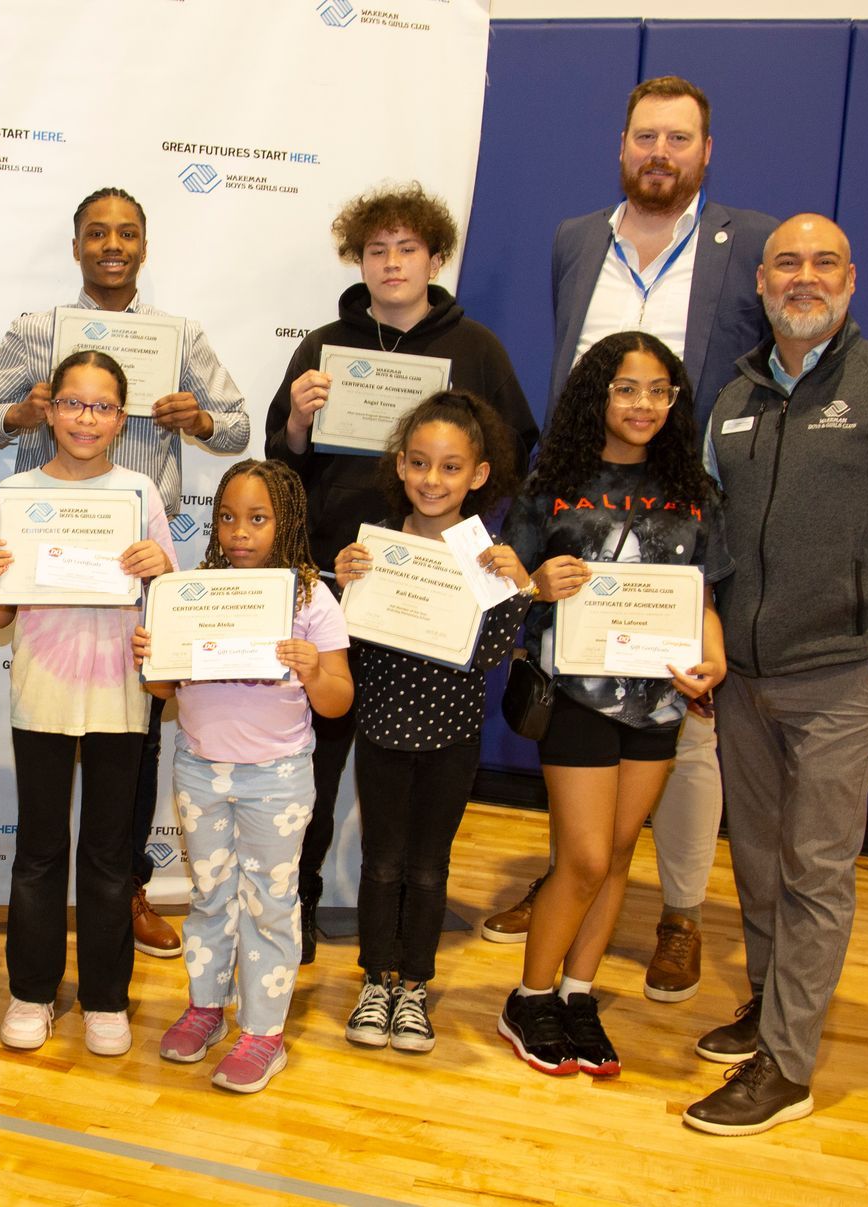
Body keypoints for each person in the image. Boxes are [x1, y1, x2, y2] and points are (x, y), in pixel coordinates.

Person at [488, 76, 778, 1007]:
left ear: (706, 152)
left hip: (687, 503)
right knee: (590, 818)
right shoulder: (578, 239)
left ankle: (681, 911)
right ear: (621, 145)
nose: (661, 153)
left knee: (687, 729)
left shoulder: (750, 242)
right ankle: (565, 903)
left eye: (679, 138)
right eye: (646, 136)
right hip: (586, 499)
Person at [687, 215, 868, 1135]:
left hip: (844, 675)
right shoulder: (732, 397)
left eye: (823, 263)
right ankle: (771, 1005)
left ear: (851, 279)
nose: (803, 277)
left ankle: (787, 1066)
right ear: (761, 283)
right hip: (744, 680)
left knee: (815, 868)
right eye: (786, 263)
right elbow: (709, 537)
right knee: (758, 860)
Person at [0, 187, 250, 959]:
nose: (111, 245)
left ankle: (128, 897)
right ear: (76, 245)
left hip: (135, 587)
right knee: (47, 820)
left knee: (126, 787)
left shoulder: (179, 336)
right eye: (96, 233)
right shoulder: (36, 331)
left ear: (144, 246)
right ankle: (46, 963)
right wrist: (21, 413)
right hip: (47, 587)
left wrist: (198, 419)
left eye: (126, 233)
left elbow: (238, 426)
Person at [265, 182, 537, 962]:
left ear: (435, 258)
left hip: (428, 594)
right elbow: (283, 462)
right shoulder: (323, 346)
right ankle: (300, 904)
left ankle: (404, 936)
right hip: (335, 575)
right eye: (376, 250)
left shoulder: (477, 349)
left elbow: (515, 455)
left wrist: (483, 557)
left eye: (406, 249)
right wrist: (298, 417)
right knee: (315, 761)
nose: (391, 263)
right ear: (358, 260)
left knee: (412, 765)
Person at [496, 332, 729, 1079]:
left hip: (658, 700)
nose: (643, 404)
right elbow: (502, 578)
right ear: (598, 395)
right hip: (574, 692)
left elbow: (702, 594)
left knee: (620, 854)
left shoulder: (692, 488)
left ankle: (577, 992)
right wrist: (536, 584)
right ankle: (529, 997)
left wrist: (713, 656)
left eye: (659, 390)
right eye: (627, 388)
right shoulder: (552, 483)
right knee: (586, 855)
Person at [0, 351, 177, 1056]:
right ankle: (32, 992)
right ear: (50, 409)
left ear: (121, 418)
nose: (86, 418)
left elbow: (169, 601)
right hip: (43, 691)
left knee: (110, 853)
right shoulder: (16, 492)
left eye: (102, 406)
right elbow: (0, 614)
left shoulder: (140, 492)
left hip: (121, 692)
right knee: (39, 849)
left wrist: (159, 568)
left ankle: (105, 999)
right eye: (73, 403)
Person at [140, 461, 352, 1093]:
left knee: (270, 903)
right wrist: (151, 658)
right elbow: (162, 688)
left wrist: (314, 670)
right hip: (200, 769)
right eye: (228, 517)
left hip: (278, 777)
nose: (240, 532)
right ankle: (206, 1007)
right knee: (209, 896)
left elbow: (338, 700)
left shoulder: (310, 597)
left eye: (258, 519)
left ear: (286, 523)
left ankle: (263, 1032)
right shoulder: (192, 591)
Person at [331, 393, 532, 1054]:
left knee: (427, 866)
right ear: (400, 464)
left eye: (450, 467)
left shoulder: (486, 556)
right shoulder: (375, 545)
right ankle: (375, 979)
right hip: (382, 729)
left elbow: (493, 652)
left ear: (478, 474)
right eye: (419, 463)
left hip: (452, 736)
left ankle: (414, 984)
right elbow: (347, 638)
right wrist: (343, 584)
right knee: (381, 861)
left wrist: (517, 588)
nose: (432, 479)